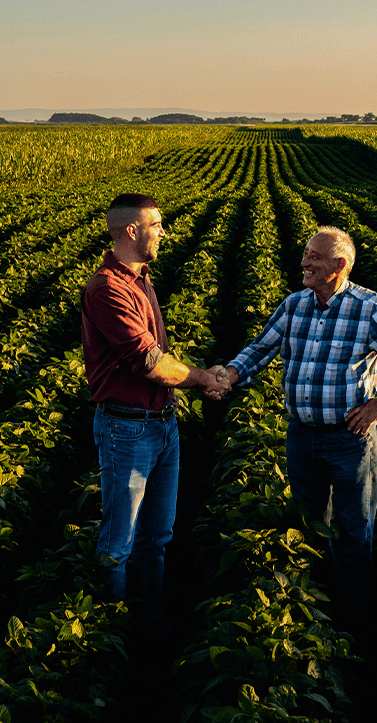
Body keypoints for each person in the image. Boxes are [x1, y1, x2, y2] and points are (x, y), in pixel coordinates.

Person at [219, 226, 377, 623]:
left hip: (349, 439)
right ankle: (311, 606)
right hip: (302, 437)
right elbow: (261, 348)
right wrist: (229, 375)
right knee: (307, 525)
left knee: (353, 529)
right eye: (305, 254)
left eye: (314, 257)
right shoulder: (295, 305)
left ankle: (351, 615)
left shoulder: (370, 308)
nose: (304, 263)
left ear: (339, 265)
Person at [80, 192, 230, 636]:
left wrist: (186, 386)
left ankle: (151, 618)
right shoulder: (107, 288)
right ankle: (112, 634)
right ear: (132, 230)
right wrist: (204, 380)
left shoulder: (141, 279)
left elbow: (159, 359)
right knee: (118, 542)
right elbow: (147, 361)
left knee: (157, 538)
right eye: (157, 225)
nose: (163, 232)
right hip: (127, 431)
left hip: (161, 425)